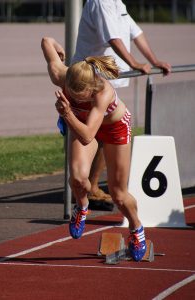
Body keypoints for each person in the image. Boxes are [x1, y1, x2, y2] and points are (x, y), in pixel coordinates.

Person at [41, 36, 150, 261]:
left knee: (118, 195)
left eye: (77, 96)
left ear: (90, 90)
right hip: (82, 125)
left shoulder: (103, 92)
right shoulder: (62, 76)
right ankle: (82, 207)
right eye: (69, 92)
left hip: (112, 128)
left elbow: (87, 135)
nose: (72, 96)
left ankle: (136, 227)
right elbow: (45, 42)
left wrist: (67, 113)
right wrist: (55, 44)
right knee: (79, 180)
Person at [71, 0, 171, 203]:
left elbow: (135, 33)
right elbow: (113, 38)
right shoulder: (101, 2)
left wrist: (153, 61)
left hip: (108, 79)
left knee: (102, 132)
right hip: (91, 79)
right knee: (92, 133)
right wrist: (135, 63)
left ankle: (90, 184)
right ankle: (86, 187)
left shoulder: (117, 3)